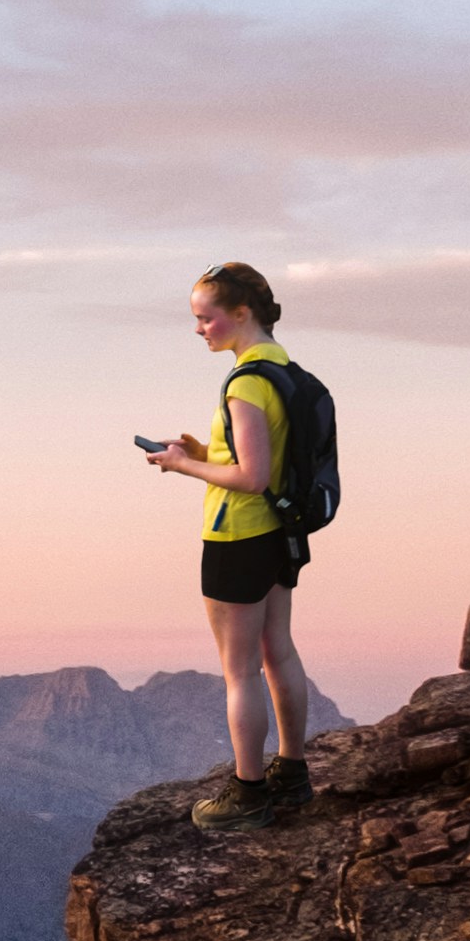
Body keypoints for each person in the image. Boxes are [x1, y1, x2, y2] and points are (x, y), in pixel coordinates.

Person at [143, 261, 312, 829]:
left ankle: (247, 793)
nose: (199, 330)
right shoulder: (283, 370)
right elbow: (260, 459)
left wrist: (182, 465)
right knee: (278, 651)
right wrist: (199, 447)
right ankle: (292, 773)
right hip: (277, 532)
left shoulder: (244, 382)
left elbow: (251, 476)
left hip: (237, 534)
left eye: (205, 318)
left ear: (240, 314)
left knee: (238, 669)